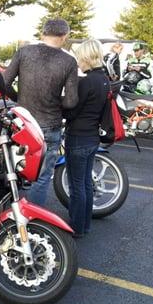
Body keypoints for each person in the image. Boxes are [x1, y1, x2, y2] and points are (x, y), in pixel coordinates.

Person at [0, 18, 79, 207]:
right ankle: (31, 221)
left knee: (12, 171)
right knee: (42, 177)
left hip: (21, 124)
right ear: (65, 36)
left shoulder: (24, 53)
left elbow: (2, 82)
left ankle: (6, 215)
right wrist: (53, 100)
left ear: (43, 34)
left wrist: (18, 98)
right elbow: (71, 101)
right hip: (49, 126)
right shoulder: (69, 61)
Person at [63, 39, 110, 238]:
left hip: (78, 137)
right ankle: (85, 224)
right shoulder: (104, 79)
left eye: (80, 57)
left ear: (87, 57)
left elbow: (72, 111)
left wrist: (61, 106)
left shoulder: (86, 82)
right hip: (92, 137)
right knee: (86, 184)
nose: (79, 61)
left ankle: (76, 227)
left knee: (76, 186)